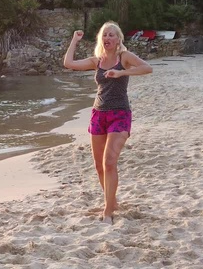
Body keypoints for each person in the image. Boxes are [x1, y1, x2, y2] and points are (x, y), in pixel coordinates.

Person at [63, 21, 153, 224]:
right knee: (99, 166)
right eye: (105, 35)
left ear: (118, 38)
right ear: (101, 39)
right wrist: (74, 41)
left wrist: (122, 72)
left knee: (109, 162)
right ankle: (112, 201)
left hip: (120, 114)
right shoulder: (97, 61)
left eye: (112, 35)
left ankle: (108, 211)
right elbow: (68, 63)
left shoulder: (124, 57)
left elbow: (147, 68)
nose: (108, 38)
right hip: (98, 114)